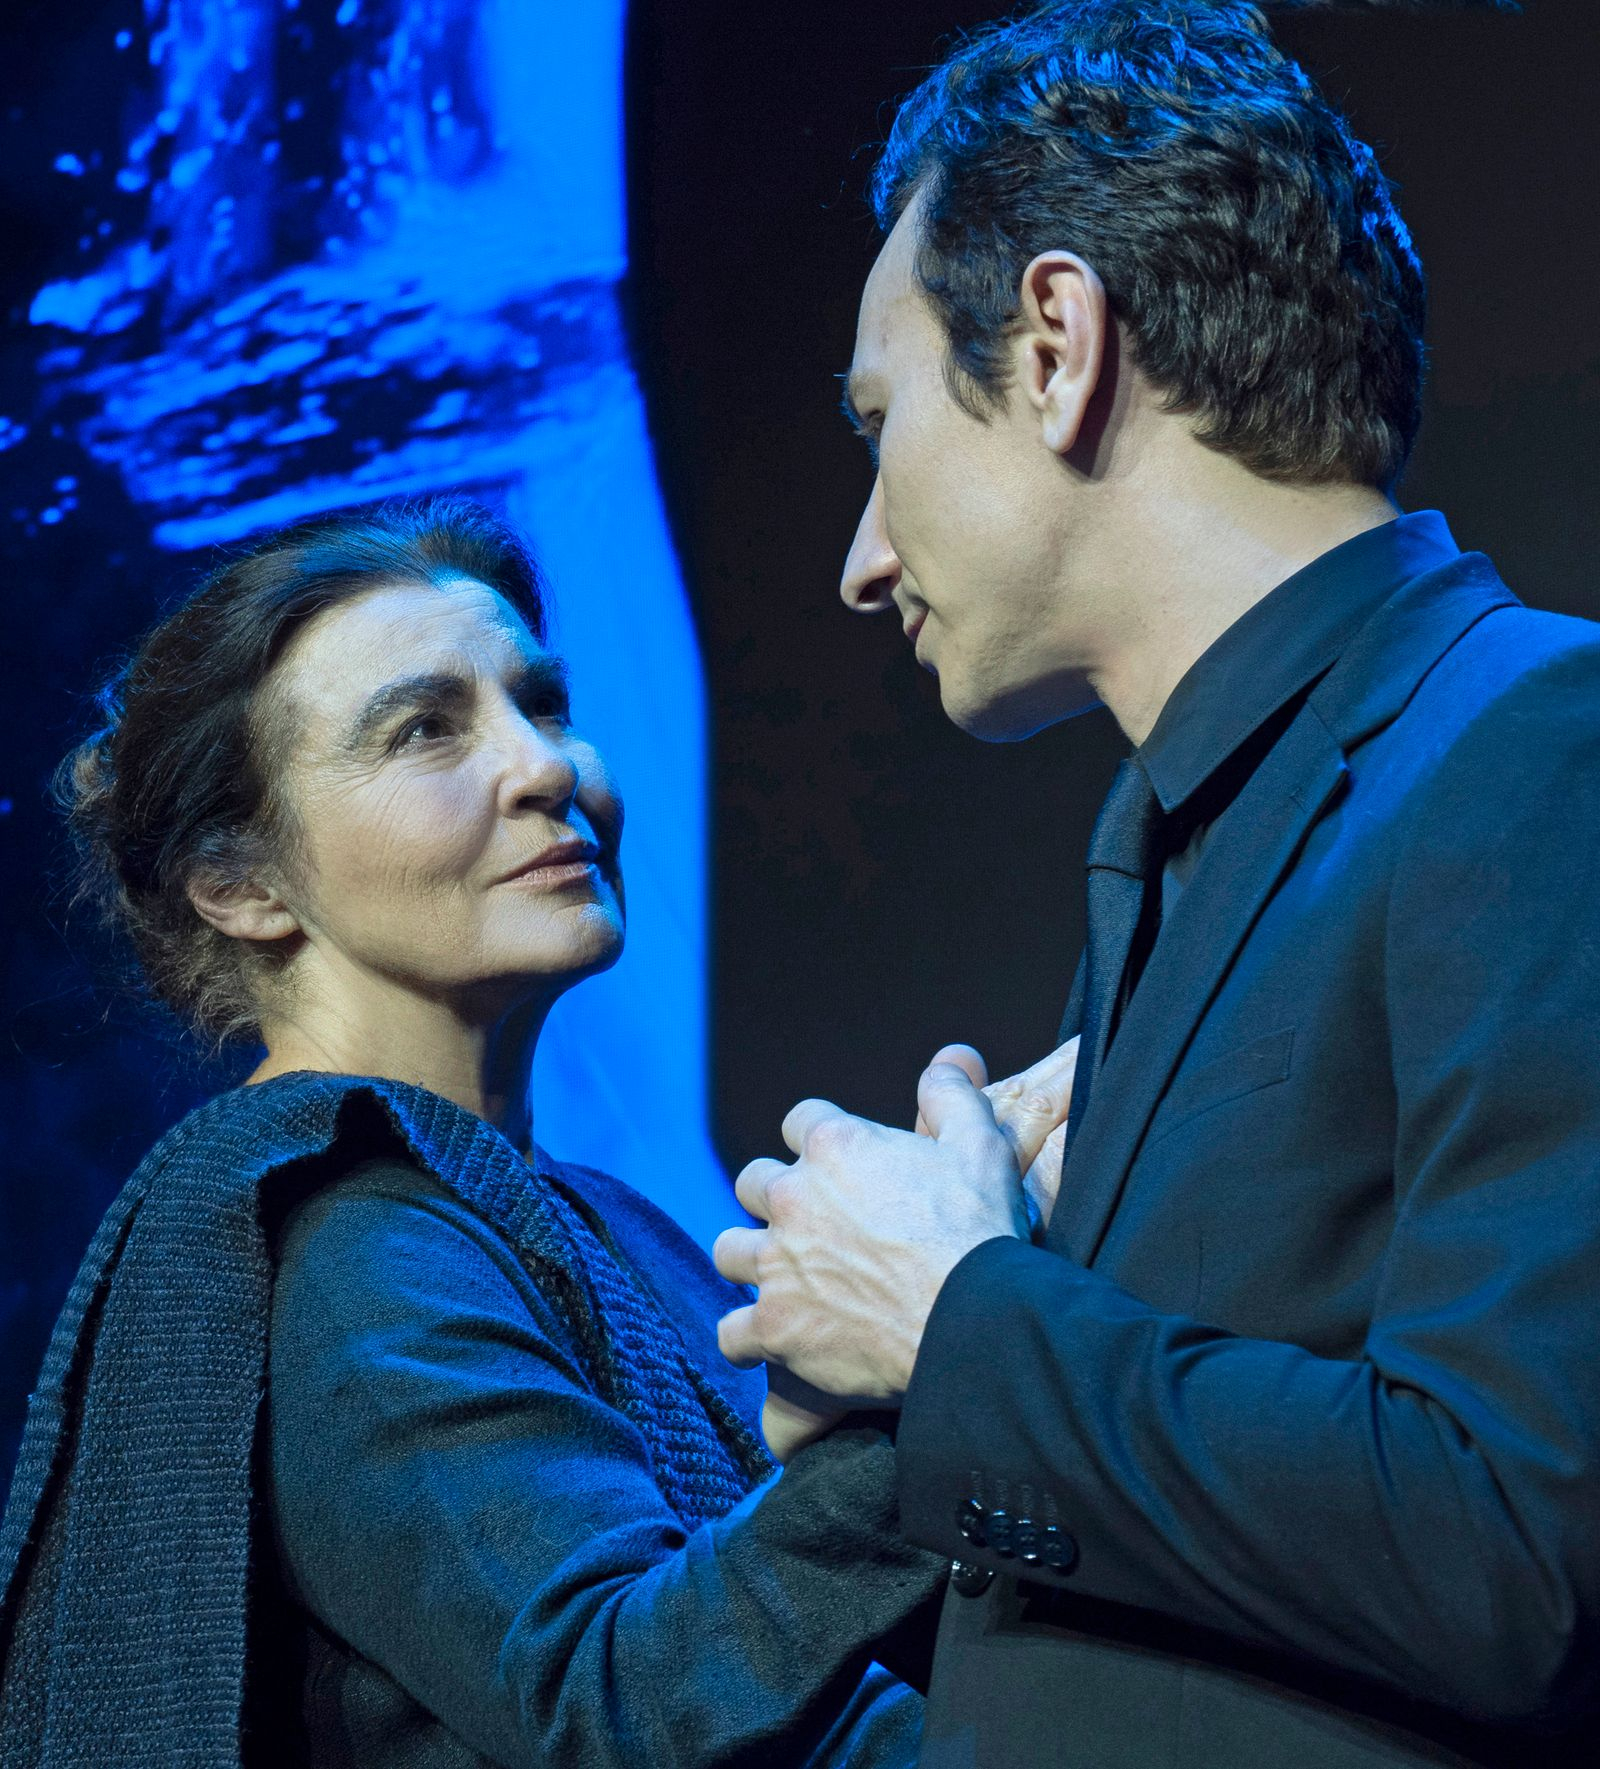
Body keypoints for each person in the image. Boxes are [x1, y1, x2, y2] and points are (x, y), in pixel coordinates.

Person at [714, 3, 1600, 1766]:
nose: (862, 560)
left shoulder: (1537, 742)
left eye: (882, 422)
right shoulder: (1179, 842)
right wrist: (894, 1380)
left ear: (1056, 344)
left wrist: (953, 1321)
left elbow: (1518, 1552)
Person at [0, 497, 1076, 1768]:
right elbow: (623, 1700)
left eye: (543, 704)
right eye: (424, 730)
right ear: (242, 885)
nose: (548, 767)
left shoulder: (589, 1218)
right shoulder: (349, 1245)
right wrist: (947, 1336)